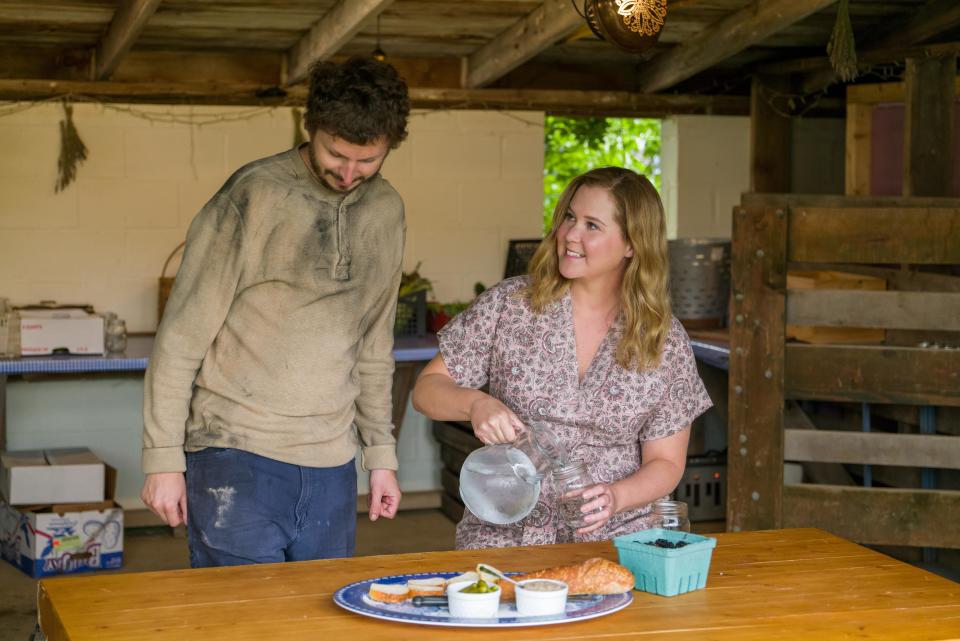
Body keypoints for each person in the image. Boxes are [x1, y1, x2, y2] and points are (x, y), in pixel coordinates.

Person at [140, 57, 411, 567]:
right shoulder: (253, 194)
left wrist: (380, 457)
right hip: (234, 452)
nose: (350, 174)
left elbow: (373, 346)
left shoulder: (387, 211)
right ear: (310, 128)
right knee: (246, 620)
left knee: (318, 618)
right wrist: (162, 460)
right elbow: (181, 338)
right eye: (336, 154)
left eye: (368, 161)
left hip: (333, 460)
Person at [412, 167, 712, 549]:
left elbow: (667, 463)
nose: (570, 234)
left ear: (632, 244)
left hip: (617, 539)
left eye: (592, 225)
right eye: (569, 217)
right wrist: (474, 404)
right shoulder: (510, 305)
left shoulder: (662, 339)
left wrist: (616, 496)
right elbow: (426, 390)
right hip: (505, 533)